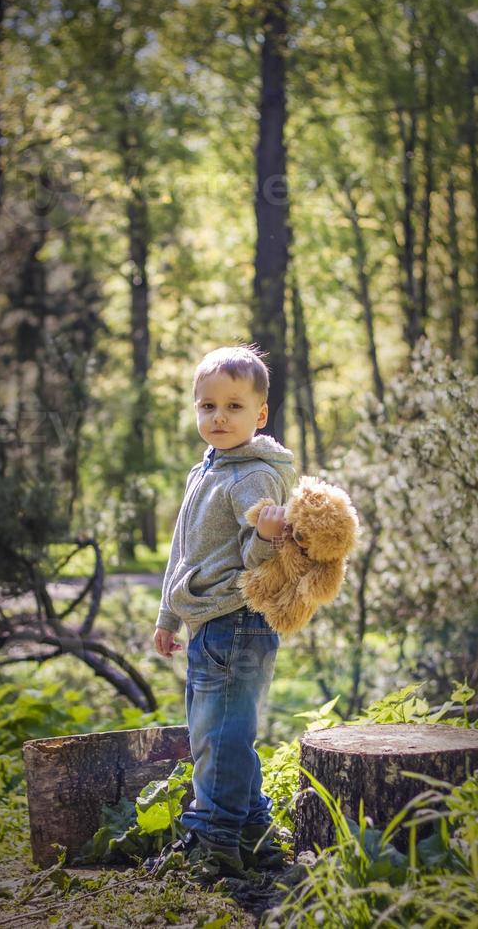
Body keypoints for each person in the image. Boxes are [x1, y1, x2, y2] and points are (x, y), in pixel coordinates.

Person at [153, 344, 296, 875]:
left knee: (221, 735)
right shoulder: (207, 470)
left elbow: (265, 562)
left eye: (234, 407)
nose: (218, 417)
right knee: (217, 731)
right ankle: (255, 832)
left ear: (259, 415)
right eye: (207, 406)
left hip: (239, 621)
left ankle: (214, 839)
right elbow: (181, 549)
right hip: (209, 622)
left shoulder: (252, 477)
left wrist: (264, 534)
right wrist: (169, 615)